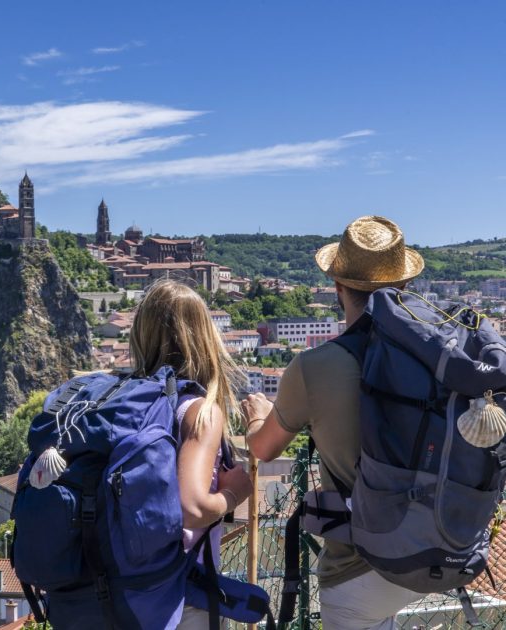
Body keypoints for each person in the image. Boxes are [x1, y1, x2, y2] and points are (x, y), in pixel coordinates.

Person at [242, 216, 425, 629]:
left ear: (338, 288)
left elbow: (264, 448)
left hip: (359, 566)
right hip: (433, 548)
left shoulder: (315, 366)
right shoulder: (435, 357)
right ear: (405, 287)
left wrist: (255, 417)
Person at [130, 279, 254, 629]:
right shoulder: (199, 412)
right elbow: (192, 508)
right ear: (203, 337)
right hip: (180, 596)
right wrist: (234, 493)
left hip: (123, 590)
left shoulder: (123, 403)